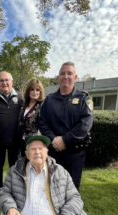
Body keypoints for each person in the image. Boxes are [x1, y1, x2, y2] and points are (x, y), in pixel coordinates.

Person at [39, 62, 93, 190]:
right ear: (58, 78)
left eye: (69, 73)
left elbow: (85, 124)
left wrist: (64, 139)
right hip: (53, 152)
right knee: (51, 187)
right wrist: (53, 139)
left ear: (75, 77)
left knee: (72, 189)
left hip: (74, 154)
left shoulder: (84, 98)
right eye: (62, 73)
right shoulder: (49, 100)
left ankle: (70, 211)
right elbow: (42, 122)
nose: (66, 76)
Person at [0, 71, 24, 200]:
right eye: (1, 80)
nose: (4, 83)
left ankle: (14, 191)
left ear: (12, 82)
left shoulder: (20, 97)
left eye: (7, 80)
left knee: (15, 168)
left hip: (15, 141)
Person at [18, 78, 45, 157]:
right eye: (32, 89)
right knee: (25, 165)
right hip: (22, 141)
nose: (35, 92)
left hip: (35, 142)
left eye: (37, 90)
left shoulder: (42, 105)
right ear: (28, 91)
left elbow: (44, 125)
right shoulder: (23, 105)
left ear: (40, 92)